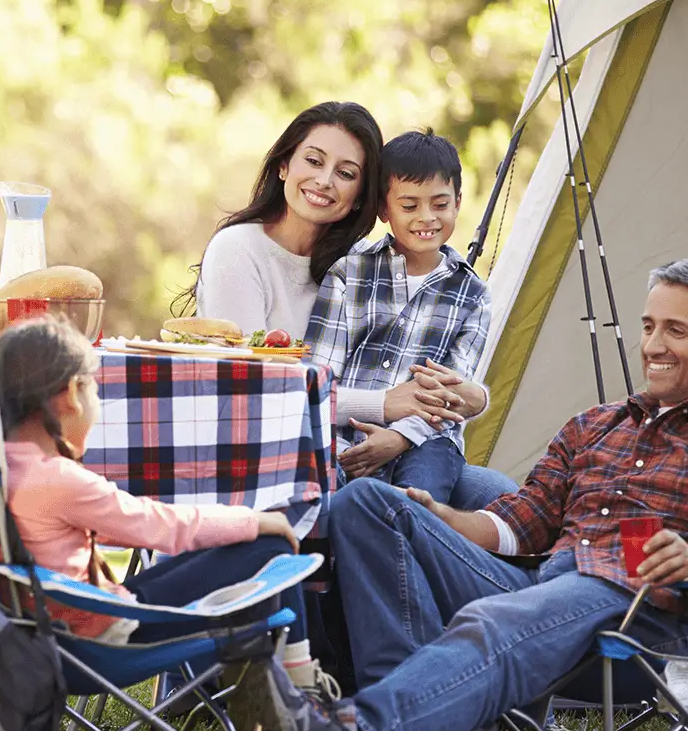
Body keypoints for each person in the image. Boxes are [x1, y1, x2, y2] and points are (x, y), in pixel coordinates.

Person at [224, 259, 688, 731]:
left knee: (505, 611)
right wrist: (440, 518)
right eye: (649, 326)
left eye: (675, 331)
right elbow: (520, 522)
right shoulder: (596, 425)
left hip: (650, 622)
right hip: (547, 589)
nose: (653, 345)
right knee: (367, 505)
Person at [179, 101, 517, 511]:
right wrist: (385, 403)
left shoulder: (354, 261)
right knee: (374, 505)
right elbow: (250, 389)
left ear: (362, 195)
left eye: (345, 173)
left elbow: (453, 375)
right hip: (265, 440)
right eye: (314, 161)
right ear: (284, 165)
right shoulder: (241, 251)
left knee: (497, 495)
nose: (324, 181)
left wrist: (474, 399)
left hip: (399, 441)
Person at [0, 316, 337, 699]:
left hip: (52, 637)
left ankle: (272, 686)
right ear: (70, 394)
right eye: (95, 392)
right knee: (270, 548)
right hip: (104, 642)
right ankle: (303, 692)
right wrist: (257, 520)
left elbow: (126, 525)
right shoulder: (56, 480)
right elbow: (162, 527)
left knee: (240, 544)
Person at [304, 129, 490, 503]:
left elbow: (452, 394)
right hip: (342, 438)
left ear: (457, 201)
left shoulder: (473, 296)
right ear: (384, 210)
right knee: (337, 502)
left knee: (415, 506)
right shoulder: (349, 274)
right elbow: (316, 382)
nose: (427, 218)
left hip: (427, 441)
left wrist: (400, 436)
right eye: (410, 206)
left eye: (440, 204)